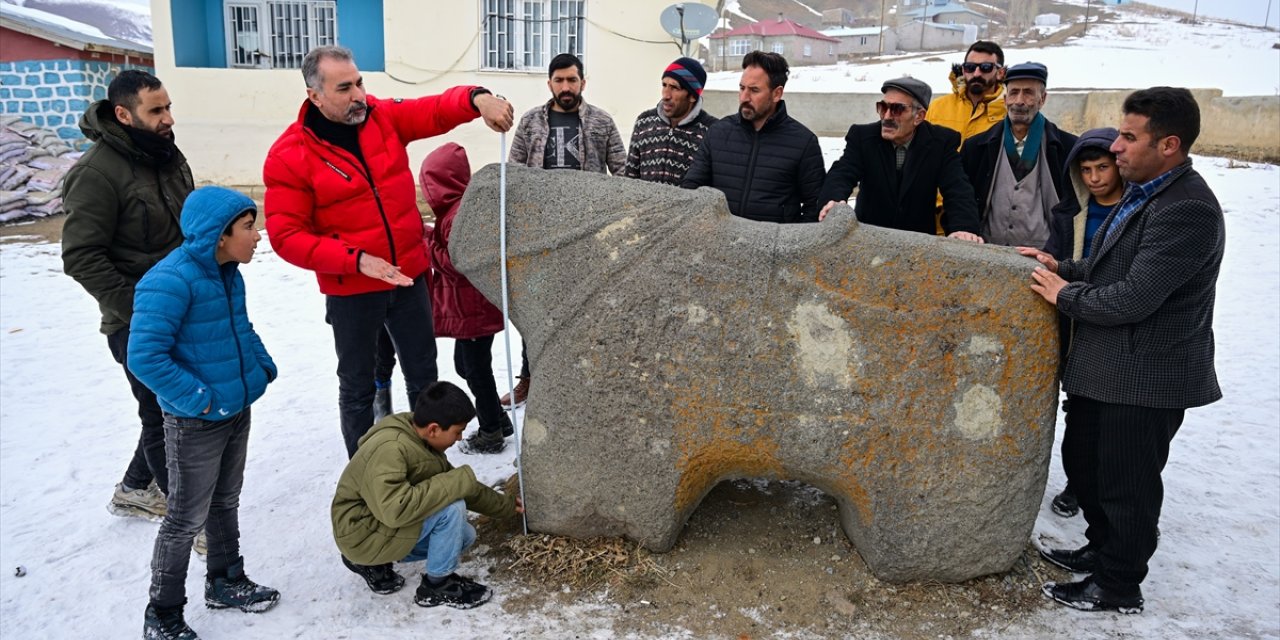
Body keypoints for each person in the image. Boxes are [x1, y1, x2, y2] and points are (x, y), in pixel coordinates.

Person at [1019, 87, 1224, 614]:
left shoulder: (1188, 209)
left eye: (1130, 138)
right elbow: (1113, 268)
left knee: (1127, 485)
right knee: (1090, 469)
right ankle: (1101, 549)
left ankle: (1119, 584)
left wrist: (1064, 294)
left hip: (1145, 378)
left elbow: (1132, 298)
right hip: (1109, 370)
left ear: (1170, 145)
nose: (1116, 149)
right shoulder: (1149, 193)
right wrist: (1062, 266)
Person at [262, 45, 514, 459]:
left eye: (360, 82)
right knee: (359, 387)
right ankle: (368, 480)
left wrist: (477, 98)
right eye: (345, 88)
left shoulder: (381, 117)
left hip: (410, 278)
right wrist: (356, 260)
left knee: (424, 380)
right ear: (315, 96)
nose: (359, 94)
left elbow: (433, 110)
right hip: (353, 290)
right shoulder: (290, 156)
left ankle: (428, 468)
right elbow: (287, 236)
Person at [128, 187, 280, 639]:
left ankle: (226, 581)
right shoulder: (169, 280)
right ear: (219, 235)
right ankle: (163, 613)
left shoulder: (228, 273)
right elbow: (144, 356)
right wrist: (201, 400)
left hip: (235, 408)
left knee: (225, 502)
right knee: (183, 519)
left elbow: (241, 328)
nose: (258, 236)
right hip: (196, 420)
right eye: (249, 227)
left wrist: (260, 369)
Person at [61, 69, 193, 524]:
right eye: (156, 110)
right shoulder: (96, 174)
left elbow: (186, 224)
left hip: (185, 307)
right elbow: (81, 257)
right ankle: (186, 518)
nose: (167, 118)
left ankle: (136, 487)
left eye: (168, 107)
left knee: (171, 406)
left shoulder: (166, 155)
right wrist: (143, 310)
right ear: (123, 114)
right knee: (162, 416)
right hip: (134, 319)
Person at [331, 381, 523, 609]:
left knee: (464, 536)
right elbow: (395, 510)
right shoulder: (390, 449)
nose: (460, 438)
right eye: (457, 431)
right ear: (433, 429)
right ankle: (437, 585)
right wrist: (452, 482)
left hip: (375, 526)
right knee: (452, 509)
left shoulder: (418, 438)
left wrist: (507, 506)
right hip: (359, 533)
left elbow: (464, 486)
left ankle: (377, 561)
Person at [1041, 127, 1123, 519]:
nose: (1094, 178)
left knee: (1119, 430)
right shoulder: (1071, 212)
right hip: (1076, 318)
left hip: (1118, 318)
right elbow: (1060, 257)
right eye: (1086, 169)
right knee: (1080, 413)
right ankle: (1081, 487)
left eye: (1103, 167)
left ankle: (1125, 512)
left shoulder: (1135, 212)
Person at [422, 143, 515, 454]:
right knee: (466, 366)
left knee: (476, 371)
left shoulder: (458, 215)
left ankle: (491, 431)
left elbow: (456, 263)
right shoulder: (456, 211)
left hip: (475, 308)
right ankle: (497, 418)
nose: (426, 190)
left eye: (428, 183)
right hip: (474, 307)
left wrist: (426, 244)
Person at [817, 77, 982, 242]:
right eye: (883, 107)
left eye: (897, 109)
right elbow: (843, 172)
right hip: (868, 241)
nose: (887, 116)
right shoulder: (862, 137)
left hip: (918, 245)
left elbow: (958, 189)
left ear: (919, 116)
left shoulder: (941, 142)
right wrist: (833, 201)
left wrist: (964, 228)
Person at [681, 50, 825, 223]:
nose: (744, 97)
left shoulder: (804, 143)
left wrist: (791, 245)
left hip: (774, 247)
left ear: (777, 93)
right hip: (721, 245)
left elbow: (814, 206)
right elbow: (692, 188)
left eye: (754, 90)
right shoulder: (717, 132)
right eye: (742, 88)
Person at [961, 62, 1078, 248]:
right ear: (1005, 98)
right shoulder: (976, 147)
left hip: (1044, 259)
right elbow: (963, 201)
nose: (1019, 101)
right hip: (986, 253)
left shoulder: (1068, 148)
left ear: (1043, 99)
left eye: (1028, 93)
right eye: (1014, 93)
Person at [509, 52, 626, 175]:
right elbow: (514, 170)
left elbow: (622, 171)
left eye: (572, 80)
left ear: (583, 83)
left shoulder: (603, 121)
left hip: (590, 195)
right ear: (550, 85)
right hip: (538, 194)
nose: (565, 88)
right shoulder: (529, 120)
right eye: (558, 80)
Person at [622, 56, 719, 185]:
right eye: (664, 85)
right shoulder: (644, 122)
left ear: (692, 96)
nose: (666, 95)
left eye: (674, 88)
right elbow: (630, 179)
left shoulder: (712, 131)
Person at [925, 41, 1007, 146]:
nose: (976, 74)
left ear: (1000, 73)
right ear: (963, 70)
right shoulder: (937, 107)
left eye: (986, 67)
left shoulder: (1010, 112)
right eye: (970, 67)